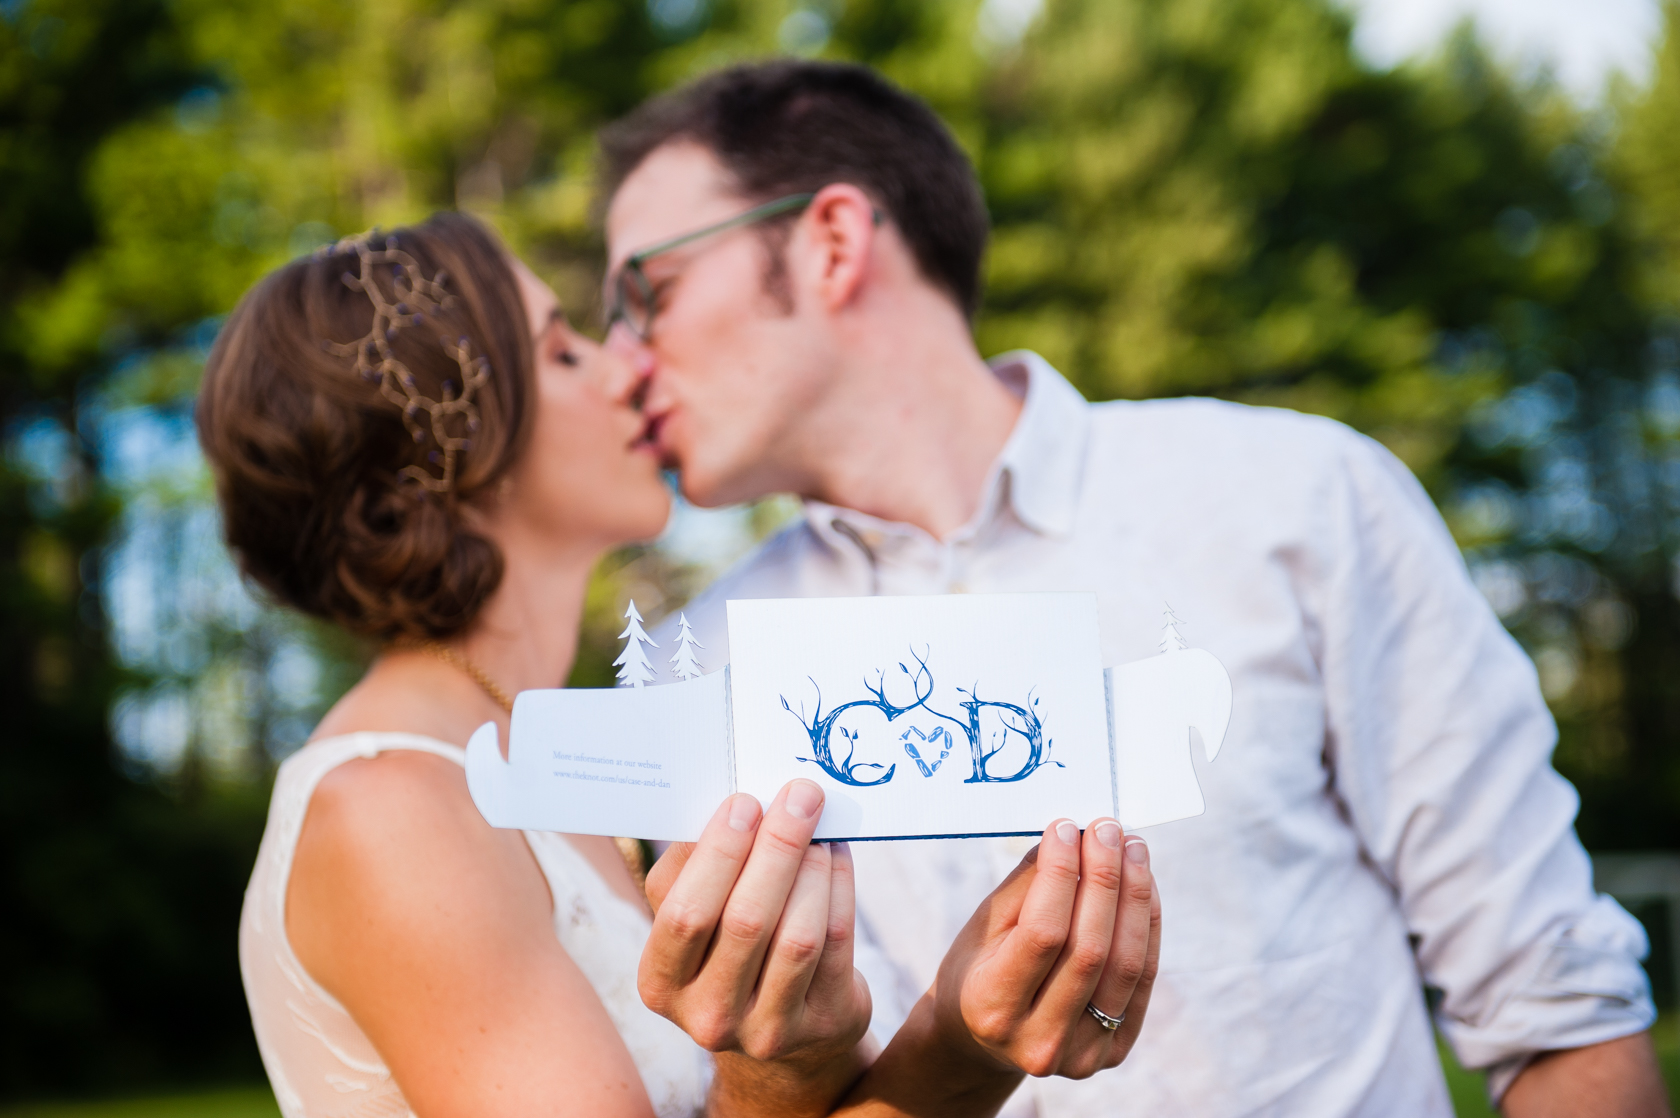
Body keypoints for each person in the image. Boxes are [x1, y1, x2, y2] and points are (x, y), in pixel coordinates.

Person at [593, 60, 1671, 1117]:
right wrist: (771, 1073)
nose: (617, 364)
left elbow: (1556, 998)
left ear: (831, 241)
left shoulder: (1295, 497)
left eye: (648, 292)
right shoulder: (700, 666)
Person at [201, 212, 1161, 1118]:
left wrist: (966, 1038)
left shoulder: (543, 770)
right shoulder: (394, 808)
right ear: (450, 449)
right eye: (563, 350)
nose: (628, 368)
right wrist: (812, 1064)